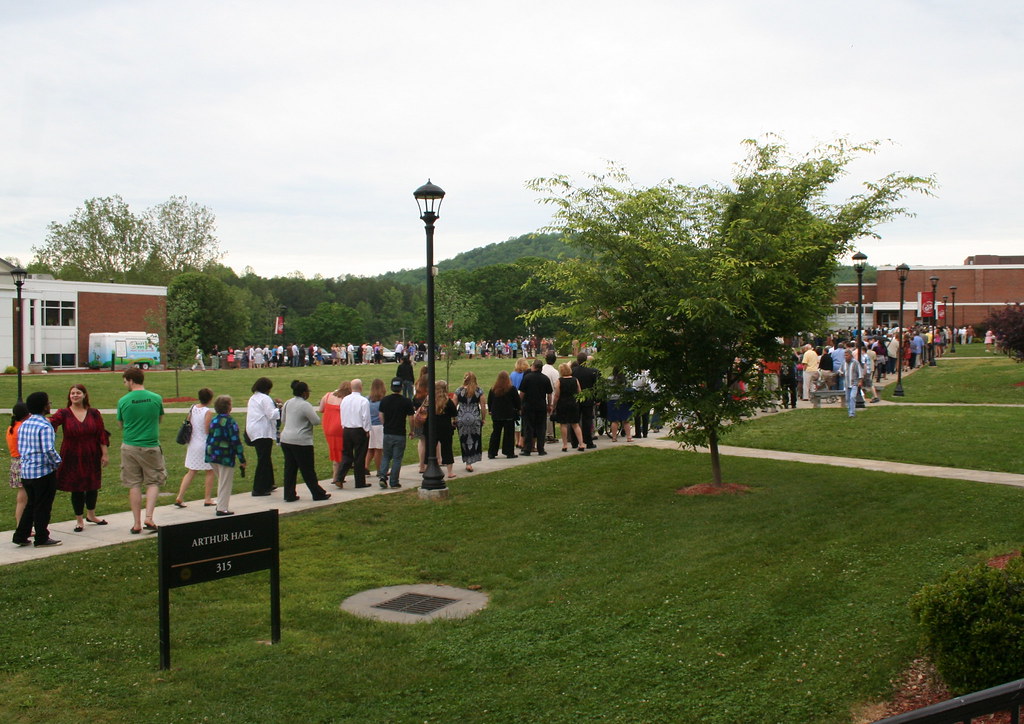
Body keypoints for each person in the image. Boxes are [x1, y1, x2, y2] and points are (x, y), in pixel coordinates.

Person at [50, 384, 111, 531]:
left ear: (84, 395)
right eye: (72, 393)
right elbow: (50, 423)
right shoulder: (63, 413)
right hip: (72, 454)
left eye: (78, 393)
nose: (75, 395)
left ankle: (91, 514)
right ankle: (79, 520)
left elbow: (101, 434)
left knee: (92, 485)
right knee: (76, 486)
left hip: (91, 452)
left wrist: (104, 453)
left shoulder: (94, 413)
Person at [117, 368, 165, 534]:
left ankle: (136, 523)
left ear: (130, 380)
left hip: (129, 446)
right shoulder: (156, 398)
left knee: (134, 484)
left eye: (125, 381)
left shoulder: (123, 401)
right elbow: (159, 419)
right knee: (153, 481)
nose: (125, 385)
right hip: (151, 445)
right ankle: (149, 517)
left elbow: (120, 424)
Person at [13, 392, 63, 547]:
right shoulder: (45, 425)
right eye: (48, 402)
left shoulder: (24, 424)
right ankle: (42, 537)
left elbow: (21, 448)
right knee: (43, 506)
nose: (50, 405)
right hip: (43, 472)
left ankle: (21, 535)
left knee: (31, 504)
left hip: (27, 472)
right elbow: (48, 449)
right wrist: (57, 462)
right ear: (44, 406)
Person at [279, 380, 331, 502]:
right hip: (301, 441)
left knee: (290, 468)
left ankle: (289, 494)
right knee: (307, 469)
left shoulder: (287, 403)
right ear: (304, 393)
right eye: (308, 392)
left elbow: (283, 420)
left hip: (286, 439)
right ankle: (317, 493)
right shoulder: (305, 405)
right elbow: (316, 421)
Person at [205, 395, 247, 516]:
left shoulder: (214, 420)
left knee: (222, 480)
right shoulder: (230, 422)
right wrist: (241, 459)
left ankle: (220, 504)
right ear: (229, 407)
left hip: (212, 454)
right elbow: (235, 441)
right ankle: (222, 508)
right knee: (225, 482)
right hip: (225, 456)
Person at [174, 388, 215, 508]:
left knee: (191, 471)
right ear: (210, 399)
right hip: (203, 443)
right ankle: (207, 498)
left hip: (192, 443)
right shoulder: (208, 412)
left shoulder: (193, 408)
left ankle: (180, 496)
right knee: (210, 471)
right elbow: (207, 429)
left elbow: (189, 422)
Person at [245, 377, 280, 497]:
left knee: (265, 457)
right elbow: (272, 414)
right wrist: (279, 407)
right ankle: (258, 488)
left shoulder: (253, 397)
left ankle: (269, 483)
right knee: (263, 460)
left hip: (254, 430)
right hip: (262, 432)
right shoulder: (265, 398)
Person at [378, 377, 415, 488]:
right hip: (399, 433)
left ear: (391, 387)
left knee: (386, 456)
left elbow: (380, 415)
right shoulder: (406, 401)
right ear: (401, 387)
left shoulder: (385, 400)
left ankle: (383, 476)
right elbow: (411, 418)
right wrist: (412, 430)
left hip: (388, 432)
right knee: (397, 458)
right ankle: (394, 481)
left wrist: (385, 425)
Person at [337, 378, 371, 488]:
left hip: (346, 429)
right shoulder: (363, 401)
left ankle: (339, 477)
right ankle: (360, 482)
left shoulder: (345, 400)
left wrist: (344, 426)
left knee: (346, 455)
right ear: (360, 388)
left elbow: (342, 414)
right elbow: (366, 417)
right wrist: (367, 430)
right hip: (359, 430)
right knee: (360, 456)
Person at [519, 360, 553, 456]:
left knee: (528, 427)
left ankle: (527, 449)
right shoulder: (545, 379)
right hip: (541, 405)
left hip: (528, 405)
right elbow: (549, 394)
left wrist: (520, 404)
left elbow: (522, 393)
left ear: (534, 367)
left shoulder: (527, 378)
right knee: (541, 428)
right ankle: (541, 449)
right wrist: (549, 405)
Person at [317, 380, 349, 484]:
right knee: (342, 451)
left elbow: (321, 409)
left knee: (334, 450)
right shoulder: (346, 399)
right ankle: (338, 476)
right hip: (340, 427)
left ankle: (335, 475)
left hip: (328, 426)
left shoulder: (327, 395)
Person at [455, 371, 486, 472]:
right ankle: (471, 461)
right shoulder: (479, 391)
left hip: (462, 417)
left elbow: (453, 405)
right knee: (474, 439)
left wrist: (453, 418)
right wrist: (483, 418)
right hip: (475, 418)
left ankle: (467, 460)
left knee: (464, 439)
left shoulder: (458, 391)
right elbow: (483, 407)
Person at [487, 370, 520, 459]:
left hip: (497, 415)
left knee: (496, 433)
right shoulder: (511, 389)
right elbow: (517, 401)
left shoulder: (493, 389)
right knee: (509, 434)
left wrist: (490, 410)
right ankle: (509, 452)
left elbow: (490, 401)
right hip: (508, 414)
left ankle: (492, 452)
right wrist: (518, 409)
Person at [6, 402, 30, 529]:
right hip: (23, 462)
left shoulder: (11, 427)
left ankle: (20, 524)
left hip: (15, 462)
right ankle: (22, 526)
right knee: (24, 498)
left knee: (21, 497)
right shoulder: (23, 427)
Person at [552, 363, 585, 452]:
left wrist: (553, 405)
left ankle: (565, 444)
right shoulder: (575, 380)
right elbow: (579, 392)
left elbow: (557, 395)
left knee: (563, 424)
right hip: (573, 403)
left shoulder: (559, 381)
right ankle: (581, 443)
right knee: (575, 424)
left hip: (562, 403)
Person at [572, 353, 600, 448]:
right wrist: (597, 398)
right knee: (587, 420)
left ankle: (575, 441)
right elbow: (596, 387)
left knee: (575, 420)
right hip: (588, 398)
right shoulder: (592, 372)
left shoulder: (573, 371)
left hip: (576, 398)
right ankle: (588, 441)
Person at [433, 380, 458, 478]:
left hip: (433, 426)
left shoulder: (431, 399)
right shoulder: (447, 401)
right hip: (445, 427)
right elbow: (454, 413)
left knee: (431, 448)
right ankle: (449, 472)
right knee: (447, 449)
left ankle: (427, 466)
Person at [366, 378, 386, 479]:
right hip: (379, 426)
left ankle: (365, 467)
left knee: (370, 448)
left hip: (370, 426)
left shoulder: (367, 400)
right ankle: (379, 470)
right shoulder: (382, 401)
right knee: (378, 449)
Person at [839, 348, 865, 418]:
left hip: (854, 383)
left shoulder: (855, 363)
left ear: (850, 355)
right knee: (848, 399)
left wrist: (860, 381)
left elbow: (860, 372)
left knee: (852, 397)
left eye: (847, 355)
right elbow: (840, 371)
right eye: (845, 355)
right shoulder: (843, 363)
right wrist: (841, 373)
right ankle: (849, 411)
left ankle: (852, 413)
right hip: (847, 383)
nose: (845, 357)